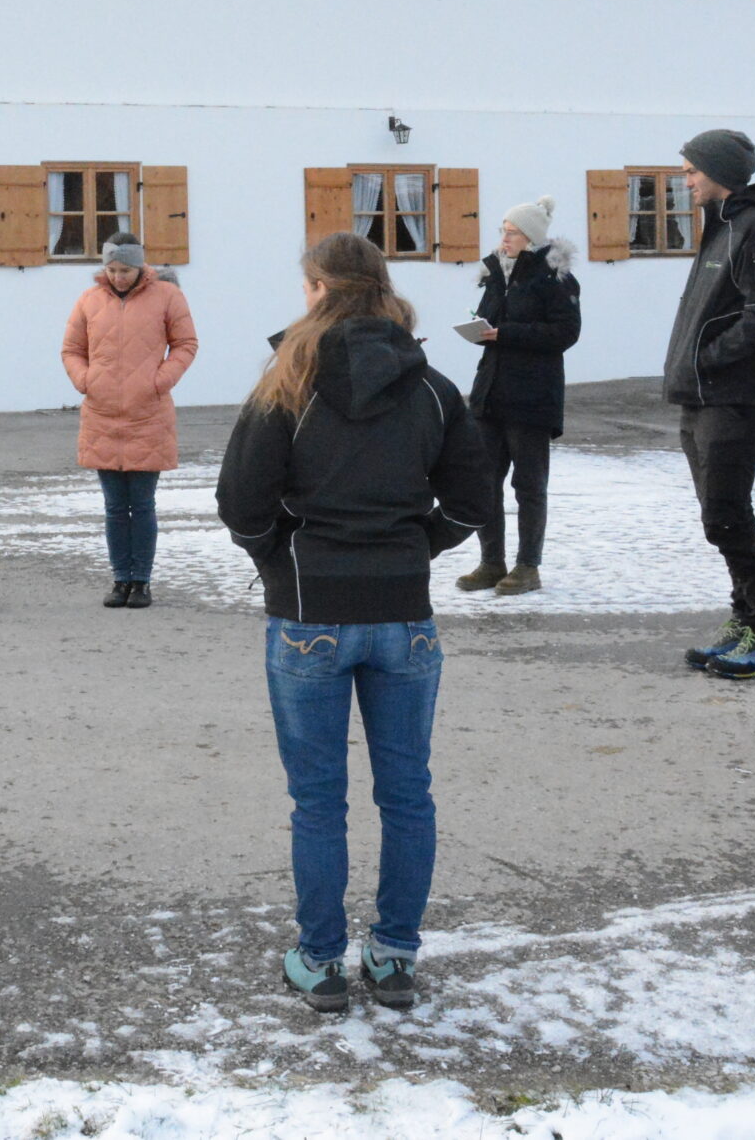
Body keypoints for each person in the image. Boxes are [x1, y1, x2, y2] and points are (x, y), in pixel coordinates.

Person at [217, 232, 487, 1015]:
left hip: (310, 616)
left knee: (319, 801)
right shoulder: (431, 384)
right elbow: (472, 500)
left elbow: (241, 503)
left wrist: (283, 563)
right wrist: (415, 548)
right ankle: (395, 954)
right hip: (404, 617)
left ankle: (321, 959)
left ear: (316, 290)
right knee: (407, 794)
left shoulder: (288, 381)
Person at [664, 128, 755, 681]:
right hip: (700, 398)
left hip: (732, 399)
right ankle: (745, 623)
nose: (686, 179)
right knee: (719, 519)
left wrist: (708, 358)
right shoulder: (721, 228)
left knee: (727, 516)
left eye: (693, 170)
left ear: (718, 172)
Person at [62, 233, 200, 608]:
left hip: (147, 414)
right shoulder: (90, 300)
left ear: (140, 266)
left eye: (125, 269)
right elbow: (73, 349)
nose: (118, 277)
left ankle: (142, 580)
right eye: (112, 269)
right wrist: (84, 380)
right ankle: (120, 578)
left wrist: (161, 380)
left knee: (141, 504)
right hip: (102, 414)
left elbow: (186, 344)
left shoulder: (168, 296)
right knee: (112, 506)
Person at [454, 195, 580, 597]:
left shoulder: (554, 277)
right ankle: (492, 562)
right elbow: (490, 319)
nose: (503, 239)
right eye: (503, 231)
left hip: (532, 396)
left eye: (511, 233)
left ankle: (528, 566)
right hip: (490, 393)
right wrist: (481, 328)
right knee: (485, 481)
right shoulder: (495, 272)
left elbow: (565, 333)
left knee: (528, 486)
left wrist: (505, 334)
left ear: (531, 238)